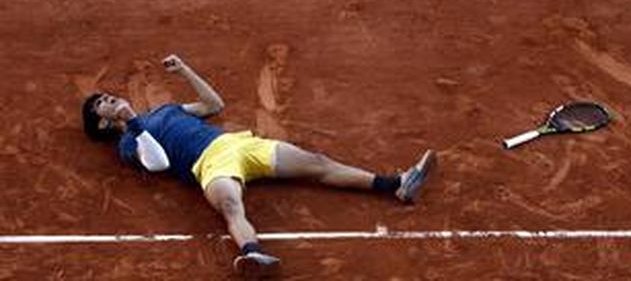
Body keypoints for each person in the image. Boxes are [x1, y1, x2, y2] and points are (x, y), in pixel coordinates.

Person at [81, 54, 436, 279]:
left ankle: (397, 184)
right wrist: (130, 122)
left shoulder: (162, 112)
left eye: (105, 95)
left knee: (316, 163)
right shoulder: (129, 143)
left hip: (238, 144)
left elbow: (212, 104)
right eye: (100, 105)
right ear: (102, 125)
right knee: (231, 206)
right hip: (207, 165)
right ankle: (253, 256)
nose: (106, 98)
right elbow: (157, 164)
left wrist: (187, 70)